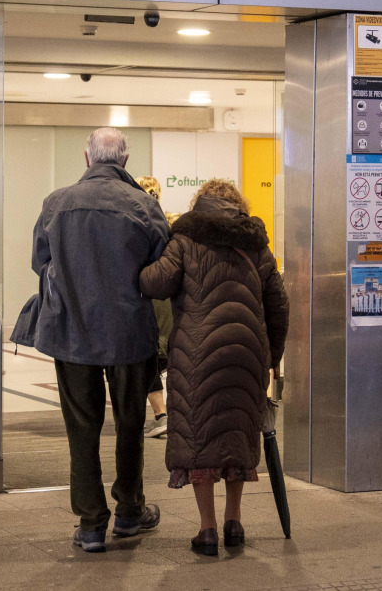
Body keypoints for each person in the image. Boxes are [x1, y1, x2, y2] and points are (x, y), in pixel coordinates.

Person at [28, 127, 169, 553]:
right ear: (124, 161)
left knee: (82, 426)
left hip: (71, 331)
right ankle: (129, 512)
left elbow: (40, 261)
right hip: (129, 332)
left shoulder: (57, 203)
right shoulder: (144, 206)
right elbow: (161, 269)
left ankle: (91, 524)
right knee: (130, 423)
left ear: (88, 159)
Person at [140, 178, 289, 556]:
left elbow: (156, 283)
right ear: (238, 206)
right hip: (247, 352)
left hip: (197, 354)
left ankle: (207, 530)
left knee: (198, 437)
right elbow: (279, 304)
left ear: (199, 205)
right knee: (238, 432)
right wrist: (272, 357)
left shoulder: (185, 239)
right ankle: (233, 522)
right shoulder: (257, 245)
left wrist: (139, 262)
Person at [135, 175, 172, 439]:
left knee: (143, 363)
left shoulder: (137, 227)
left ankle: (161, 415)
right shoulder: (169, 226)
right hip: (168, 304)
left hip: (148, 304)